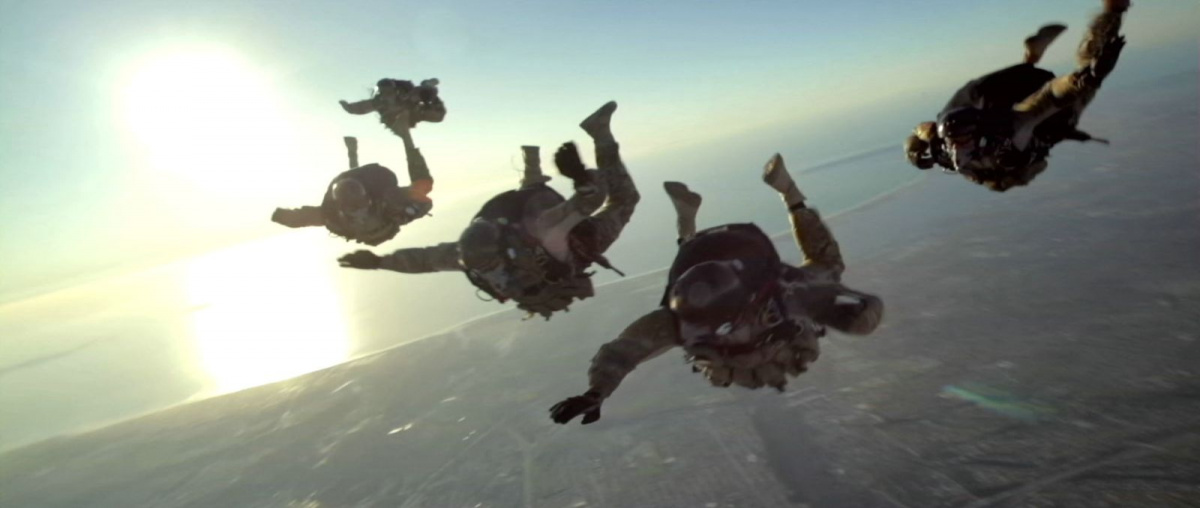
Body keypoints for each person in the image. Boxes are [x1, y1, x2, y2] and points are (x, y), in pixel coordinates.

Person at [550, 154, 883, 425]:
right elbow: (624, 351)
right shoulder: (685, 317)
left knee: (828, 271)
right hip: (749, 327)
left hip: (764, 324)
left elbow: (625, 351)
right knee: (828, 265)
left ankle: (693, 221)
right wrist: (596, 392)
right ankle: (786, 195)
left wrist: (597, 392)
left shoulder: (781, 295)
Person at [337, 101, 641, 320]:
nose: (492, 271)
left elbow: (423, 260)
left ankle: (536, 162)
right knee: (623, 200)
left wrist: (378, 262)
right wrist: (581, 179)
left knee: (537, 193)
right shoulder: (530, 235)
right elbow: (585, 204)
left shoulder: (473, 257)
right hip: (566, 254)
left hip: (551, 255)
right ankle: (598, 135)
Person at [903, 0, 1129, 192]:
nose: (955, 148)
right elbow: (924, 131)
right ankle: (1030, 61)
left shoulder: (1008, 128)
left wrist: (1083, 78)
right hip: (995, 93)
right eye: (951, 142)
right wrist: (914, 147)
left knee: (1087, 80)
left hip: (1022, 97)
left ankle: (1113, 10)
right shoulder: (943, 144)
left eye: (960, 141)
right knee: (1002, 180)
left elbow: (1047, 98)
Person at [271, 110, 434, 246]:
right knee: (423, 185)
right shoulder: (333, 215)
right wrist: (410, 212)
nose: (358, 211)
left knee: (423, 185)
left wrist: (411, 211)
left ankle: (403, 136)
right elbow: (298, 218)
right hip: (383, 221)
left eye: (358, 204)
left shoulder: (386, 200)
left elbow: (298, 218)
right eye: (353, 206)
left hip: (383, 214)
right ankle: (402, 136)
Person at [340, 78, 447, 137]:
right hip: (397, 118)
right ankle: (400, 121)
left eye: (389, 92)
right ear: (380, 93)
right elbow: (362, 107)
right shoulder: (379, 102)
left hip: (414, 111)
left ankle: (427, 84)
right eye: (384, 93)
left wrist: (429, 90)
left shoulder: (409, 95)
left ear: (395, 91)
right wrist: (349, 108)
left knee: (438, 116)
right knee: (392, 118)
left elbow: (428, 94)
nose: (387, 96)